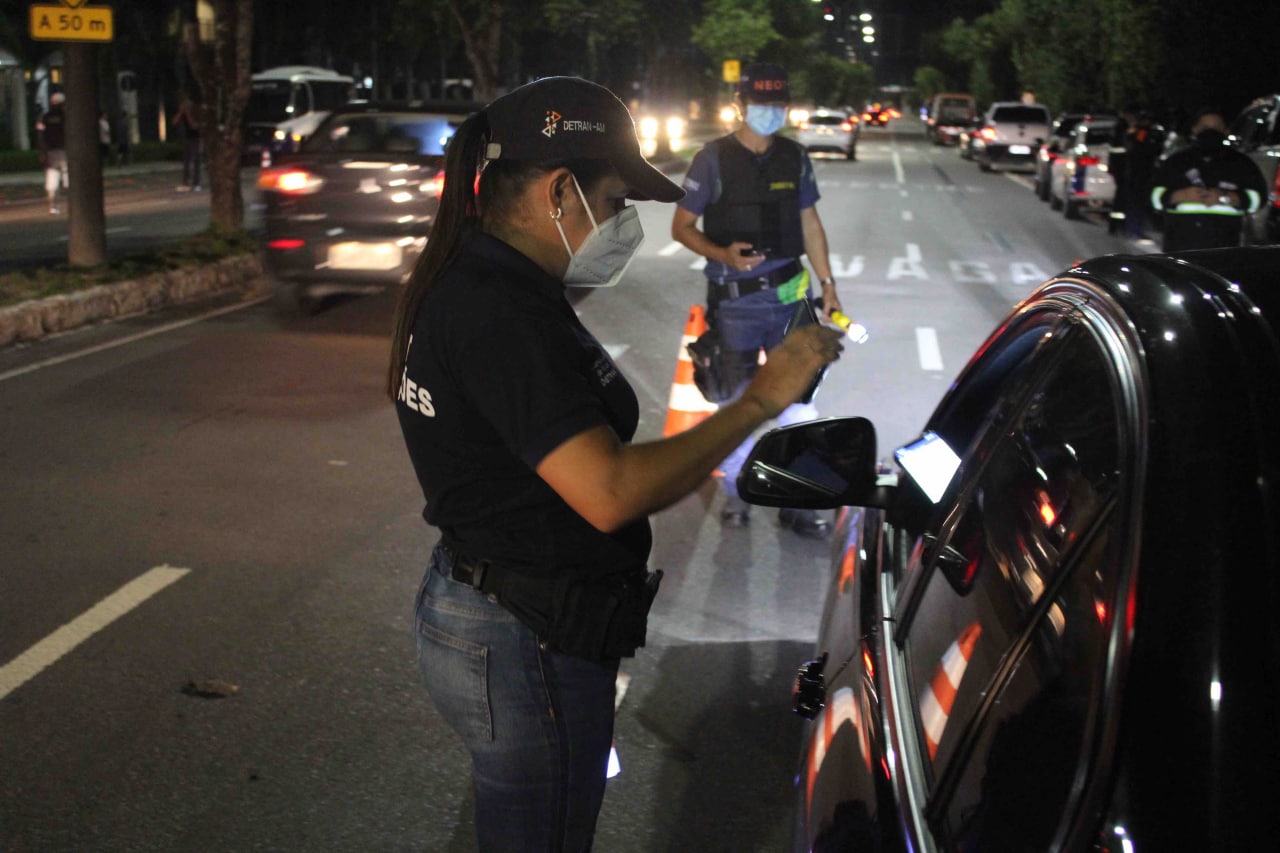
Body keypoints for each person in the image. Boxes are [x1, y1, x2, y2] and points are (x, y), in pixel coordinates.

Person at [385, 76, 842, 852]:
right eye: (617, 198)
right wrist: (762, 398)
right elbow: (608, 490)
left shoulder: (481, 279)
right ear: (561, 192)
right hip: (527, 634)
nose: (626, 221)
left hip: (498, 609)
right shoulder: (500, 310)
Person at [670, 63, 843, 537]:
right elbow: (681, 228)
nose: (770, 113)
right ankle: (738, 497)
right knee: (740, 407)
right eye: (760, 105)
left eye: (778, 105)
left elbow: (810, 223)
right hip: (736, 305)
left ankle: (799, 501)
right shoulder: (712, 159)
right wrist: (721, 252)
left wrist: (827, 284)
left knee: (800, 406)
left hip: (793, 299)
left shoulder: (795, 157)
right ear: (741, 107)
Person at [1150, 107, 1267, 252]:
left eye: (1216, 127)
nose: (1210, 132)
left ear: (1225, 130)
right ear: (1195, 129)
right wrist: (1180, 195)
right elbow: (1153, 196)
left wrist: (1226, 197)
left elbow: (1258, 199)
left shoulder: (1241, 164)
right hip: (1180, 247)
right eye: (1205, 127)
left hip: (1224, 249)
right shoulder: (1177, 162)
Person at [35, 91, 68, 215]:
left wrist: (42, 151)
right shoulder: (66, 116)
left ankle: (53, 206)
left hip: (50, 152)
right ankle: (73, 204)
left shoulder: (44, 117)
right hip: (64, 151)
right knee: (68, 177)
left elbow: (40, 135)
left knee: (52, 178)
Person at [172, 99, 202, 191]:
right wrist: (181, 113)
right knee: (186, 161)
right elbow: (174, 122)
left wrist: (188, 113)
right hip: (187, 138)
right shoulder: (183, 114)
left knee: (195, 160)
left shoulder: (196, 113)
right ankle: (185, 182)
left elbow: (193, 126)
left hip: (196, 138)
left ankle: (196, 183)